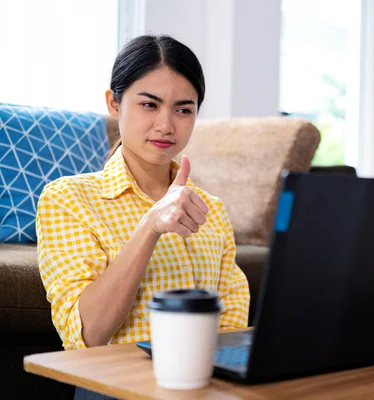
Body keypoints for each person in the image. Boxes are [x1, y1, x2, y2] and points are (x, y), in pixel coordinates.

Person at [36, 35, 250, 357]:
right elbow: (89, 334)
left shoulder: (211, 211)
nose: (165, 125)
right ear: (114, 103)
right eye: (149, 104)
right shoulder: (67, 199)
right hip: (113, 386)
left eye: (183, 110)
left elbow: (231, 333)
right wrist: (149, 226)